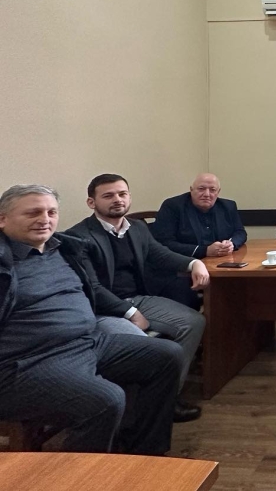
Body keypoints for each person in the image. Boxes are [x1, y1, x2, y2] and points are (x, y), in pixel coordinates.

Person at [0, 184, 182, 454]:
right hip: (25, 363)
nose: (44, 219)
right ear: (2, 219)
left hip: (87, 342)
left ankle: (144, 452)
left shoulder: (62, 248)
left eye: (51, 212)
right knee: (106, 400)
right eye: (33, 213)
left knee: (167, 355)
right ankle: (81, 473)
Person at [67, 174, 209, 423]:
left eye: (122, 194)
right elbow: (93, 289)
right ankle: (140, 410)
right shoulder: (78, 237)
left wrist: (194, 263)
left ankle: (166, 398)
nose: (117, 200)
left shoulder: (137, 228)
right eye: (108, 195)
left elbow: (161, 255)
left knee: (194, 322)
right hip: (103, 309)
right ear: (91, 202)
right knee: (146, 348)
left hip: (138, 299)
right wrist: (130, 313)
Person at [151, 173, 247, 258]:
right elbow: (164, 242)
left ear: (218, 192)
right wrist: (204, 251)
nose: (207, 194)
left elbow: (240, 232)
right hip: (184, 263)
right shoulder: (173, 206)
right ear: (191, 189)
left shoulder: (228, 206)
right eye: (201, 189)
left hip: (221, 261)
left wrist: (231, 244)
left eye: (212, 190)